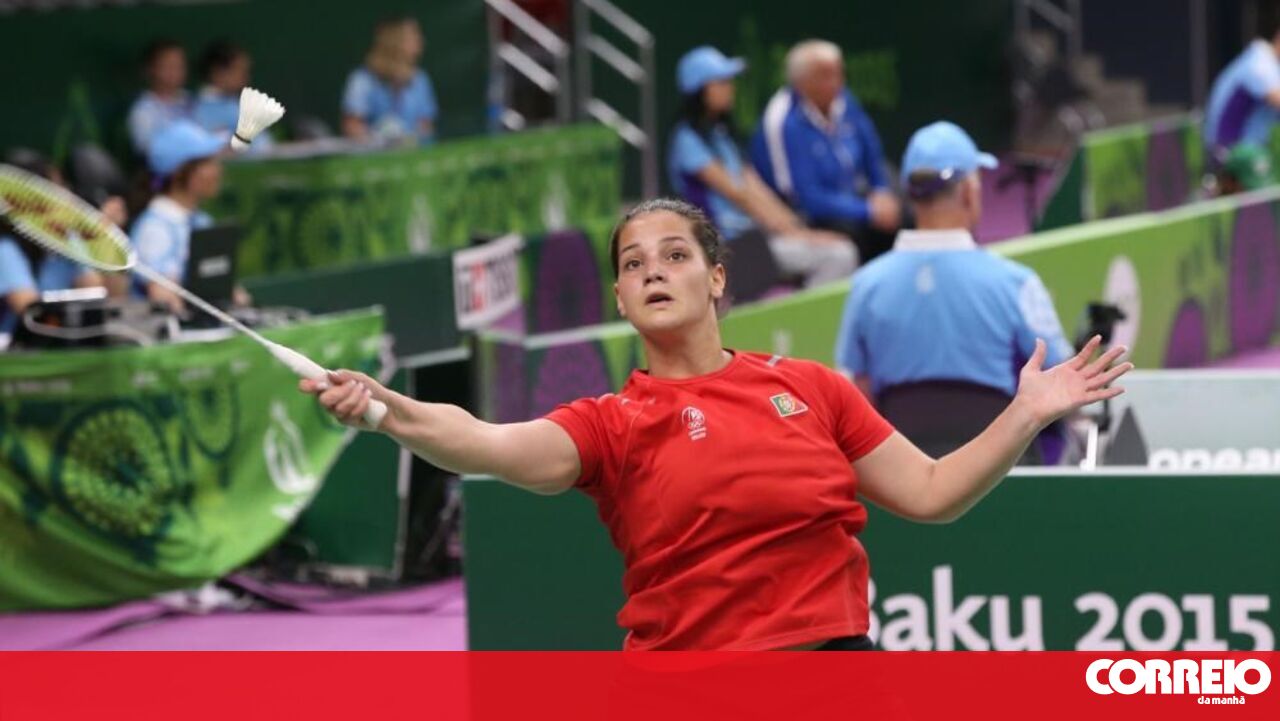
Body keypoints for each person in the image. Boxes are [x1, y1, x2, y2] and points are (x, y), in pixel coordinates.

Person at [300, 197, 1131, 651]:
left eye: (675, 254)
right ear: (620, 299)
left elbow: (932, 491)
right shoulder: (612, 423)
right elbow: (485, 440)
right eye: (633, 264)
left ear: (717, 279)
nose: (653, 271)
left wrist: (1025, 412)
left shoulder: (811, 388)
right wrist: (385, 409)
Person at [834, 121, 1076, 459]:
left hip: (900, 474)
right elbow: (1061, 378)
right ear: (968, 193)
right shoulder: (1015, 282)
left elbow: (854, 393)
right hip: (1001, 471)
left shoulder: (865, 285)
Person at [668, 46, 857, 289]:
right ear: (701, 90)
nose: (731, 88)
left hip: (755, 239)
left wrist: (797, 227)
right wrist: (799, 235)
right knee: (839, 256)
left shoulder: (722, 135)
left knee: (840, 249)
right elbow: (742, 197)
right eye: (722, 82)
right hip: (731, 247)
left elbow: (757, 188)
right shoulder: (687, 140)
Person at [750, 40, 902, 264]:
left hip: (855, 194)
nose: (837, 82)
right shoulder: (784, 122)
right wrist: (867, 212)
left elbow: (872, 152)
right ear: (801, 82)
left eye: (839, 73)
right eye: (826, 76)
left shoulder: (844, 98)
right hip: (808, 215)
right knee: (857, 234)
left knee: (905, 211)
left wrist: (881, 190)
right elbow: (803, 198)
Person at [0, 150, 115, 336]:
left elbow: (96, 293)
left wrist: (101, 240)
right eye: (56, 189)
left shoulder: (68, 240)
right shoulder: (6, 249)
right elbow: (31, 313)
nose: (66, 196)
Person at [130, 120, 226, 312]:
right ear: (180, 173)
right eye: (207, 163)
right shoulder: (155, 228)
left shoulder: (202, 220)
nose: (218, 170)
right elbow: (163, 297)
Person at [342, 17, 438, 145]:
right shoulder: (362, 80)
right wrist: (376, 142)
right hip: (374, 152)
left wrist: (411, 140)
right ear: (394, 41)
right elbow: (352, 125)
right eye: (413, 37)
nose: (420, 41)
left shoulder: (421, 79)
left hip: (412, 150)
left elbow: (426, 125)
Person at [1205, 10, 1280, 165]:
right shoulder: (1259, 63)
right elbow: (1276, 99)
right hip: (1229, 154)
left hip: (1251, 152)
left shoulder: (1273, 65)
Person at [193, 40, 273, 152]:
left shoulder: (237, 104)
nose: (246, 78)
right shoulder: (195, 110)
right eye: (241, 71)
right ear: (218, 72)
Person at [127, 39, 192, 156]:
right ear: (150, 70)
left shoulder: (192, 101)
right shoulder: (143, 110)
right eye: (168, 66)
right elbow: (147, 149)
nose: (174, 72)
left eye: (179, 66)